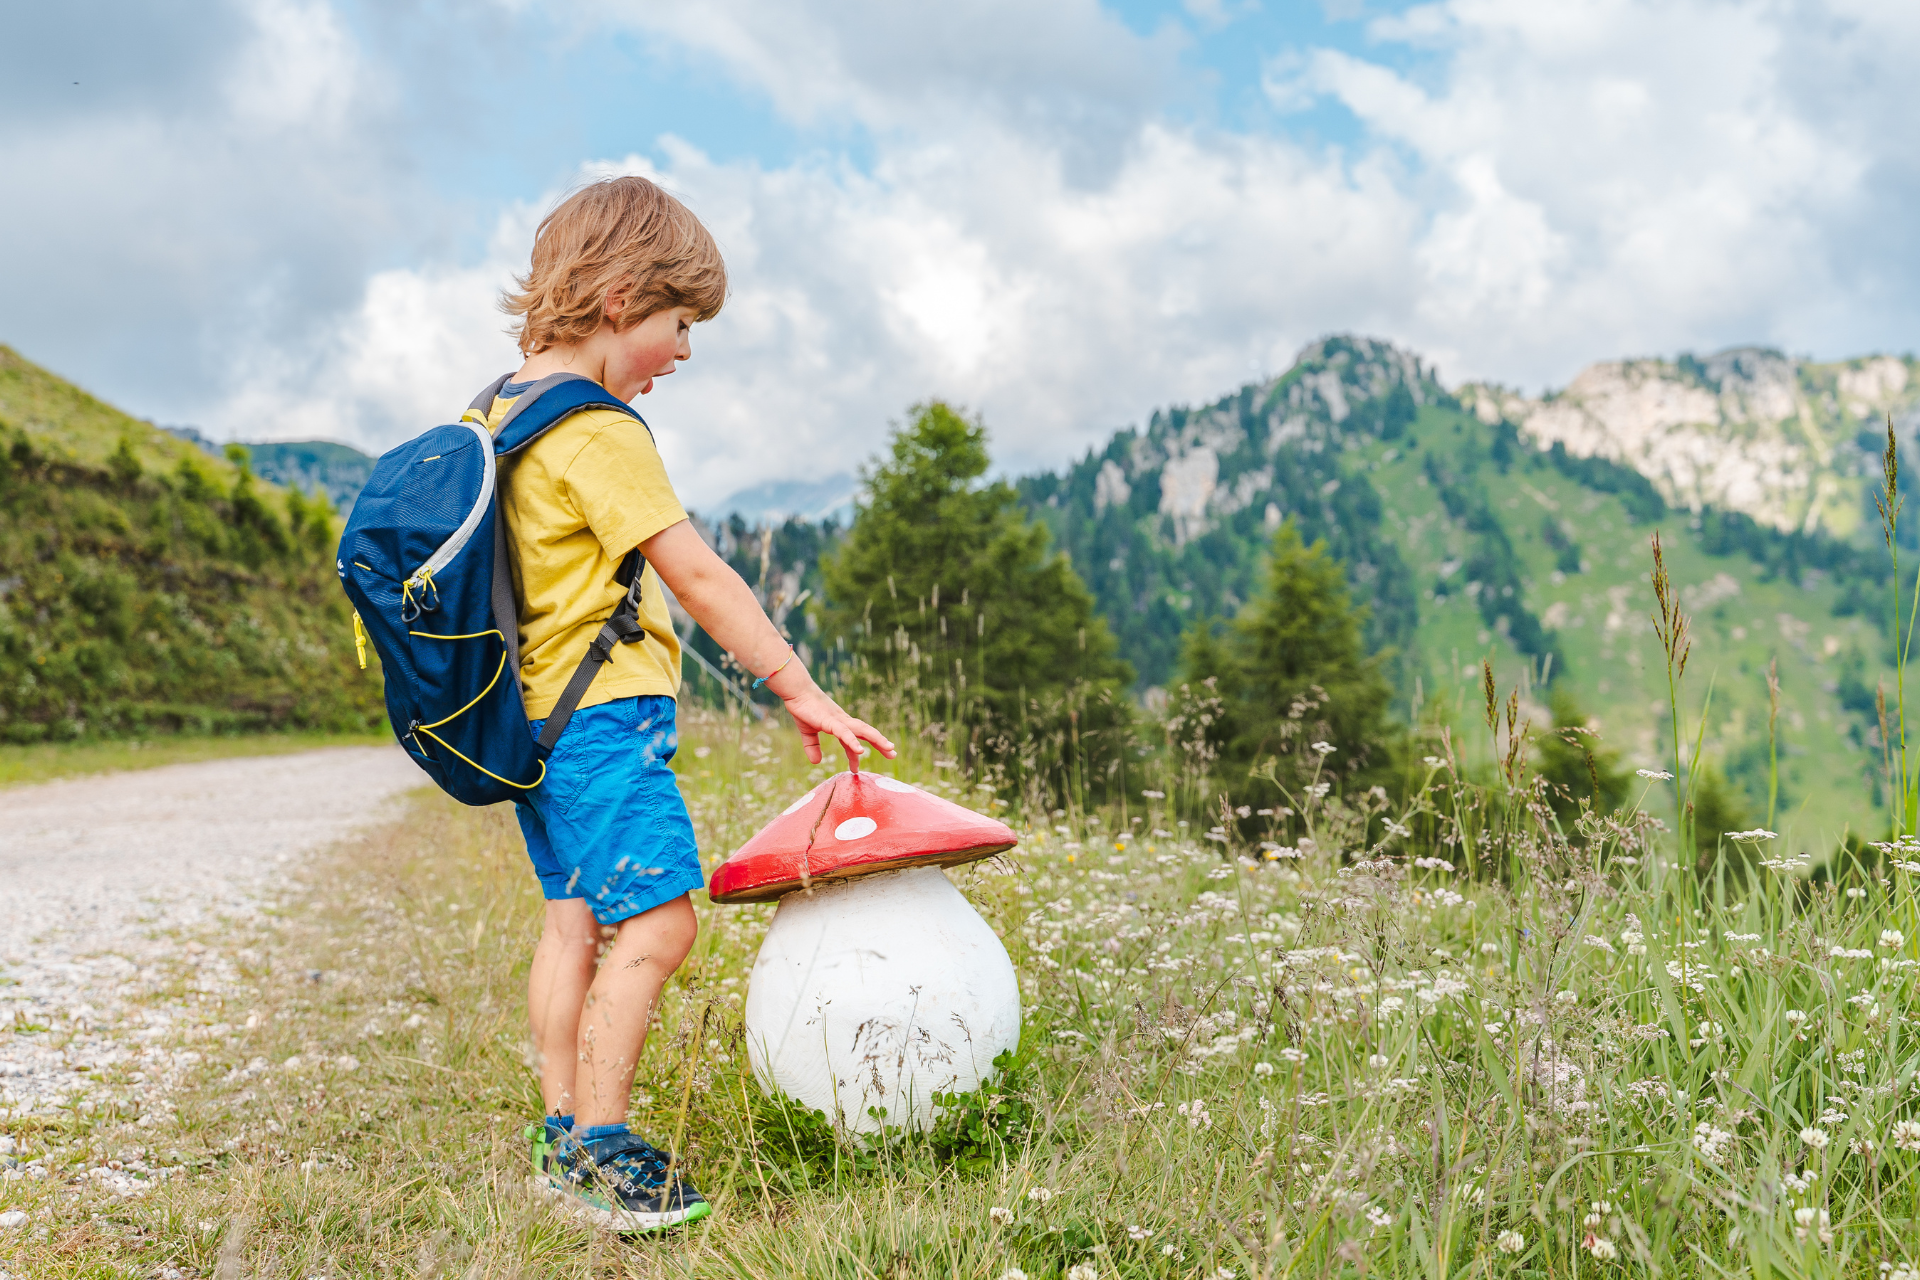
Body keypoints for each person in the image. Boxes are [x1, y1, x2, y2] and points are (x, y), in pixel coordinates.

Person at [487, 175, 894, 1232]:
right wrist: (795, 683)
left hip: (532, 723)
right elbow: (701, 576)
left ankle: (559, 1127)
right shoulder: (596, 430)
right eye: (679, 323)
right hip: (603, 723)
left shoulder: (496, 412)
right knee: (660, 921)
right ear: (622, 296)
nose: (683, 350)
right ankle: (602, 1152)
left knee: (573, 920)